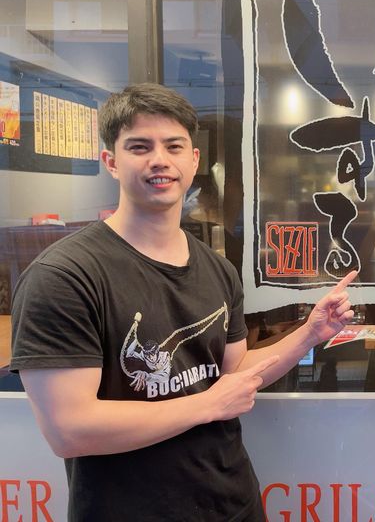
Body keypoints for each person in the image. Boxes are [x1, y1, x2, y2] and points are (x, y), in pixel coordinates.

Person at [10, 83, 356, 522]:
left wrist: (309, 334)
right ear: (111, 162)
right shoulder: (65, 276)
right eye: (140, 146)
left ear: (193, 161)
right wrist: (207, 405)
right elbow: (69, 430)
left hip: (233, 504)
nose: (159, 159)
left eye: (173, 146)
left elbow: (233, 374)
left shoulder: (217, 269)